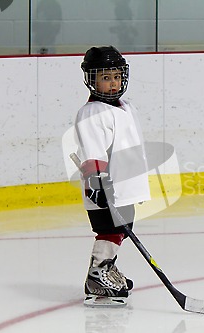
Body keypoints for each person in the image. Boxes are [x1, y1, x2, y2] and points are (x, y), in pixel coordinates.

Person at [73, 46, 151, 307]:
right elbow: (93, 149)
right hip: (106, 186)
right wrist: (97, 180)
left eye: (116, 76)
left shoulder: (125, 106)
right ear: (92, 79)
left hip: (123, 185)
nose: (113, 82)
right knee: (108, 229)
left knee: (121, 230)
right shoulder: (92, 113)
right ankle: (97, 277)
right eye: (105, 77)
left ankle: (106, 270)